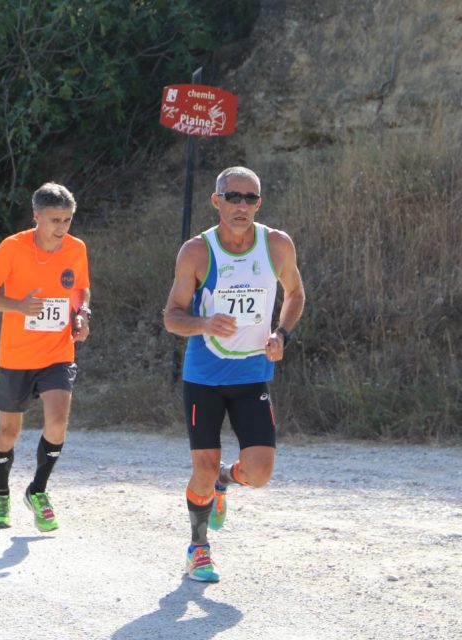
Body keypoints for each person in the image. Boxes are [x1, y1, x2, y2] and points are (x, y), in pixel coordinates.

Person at [162, 166, 305, 582]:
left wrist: (282, 333)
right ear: (216, 200)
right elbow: (172, 316)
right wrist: (204, 324)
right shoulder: (196, 251)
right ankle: (198, 548)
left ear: (259, 203)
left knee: (258, 474)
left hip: (252, 375)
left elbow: (295, 293)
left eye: (250, 198)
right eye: (233, 197)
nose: (241, 205)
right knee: (200, 468)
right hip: (204, 376)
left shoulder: (276, 244)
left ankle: (226, 481)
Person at [0, 183, 91, 532]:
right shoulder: (13, 247)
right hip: (16, 356)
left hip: (57, 353)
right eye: (54, 220)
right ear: (36, 216)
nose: (61, 227)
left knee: (57, 421)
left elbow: (81, 288)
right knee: (8, 432)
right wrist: (18, 306)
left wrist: (82, 313)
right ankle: (1, 494)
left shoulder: (76, 248)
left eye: (67, 220)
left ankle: (38, 490)